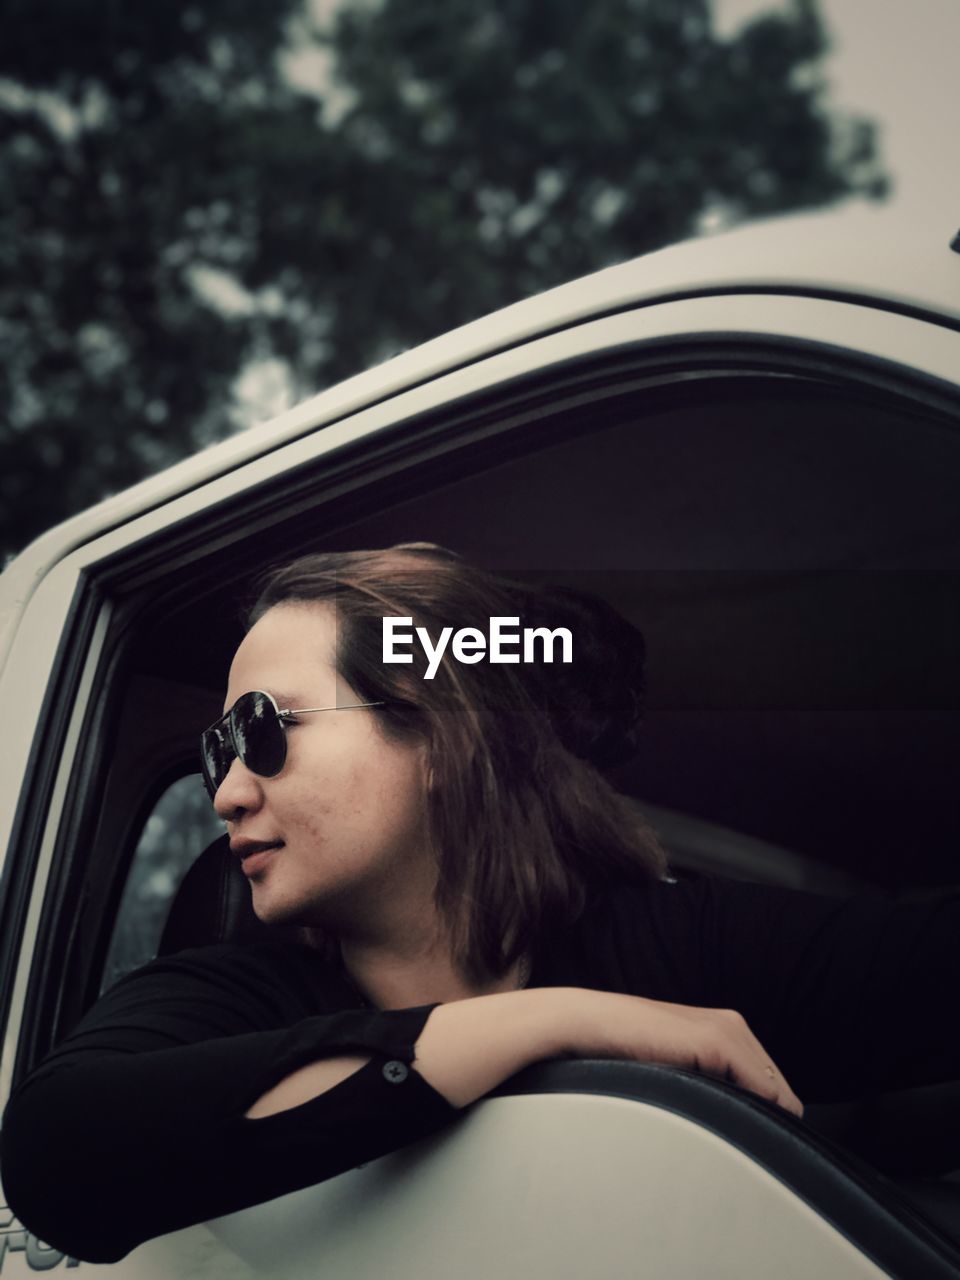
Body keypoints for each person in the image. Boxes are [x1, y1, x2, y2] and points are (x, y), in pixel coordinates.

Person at [2, 543, 959, 1264]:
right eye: (216, 752)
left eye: (262, 730)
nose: (226, 794)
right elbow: (58, 1156)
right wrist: (554, 1022)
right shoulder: (234, 1001)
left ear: (441, 730)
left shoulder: (678, 943)